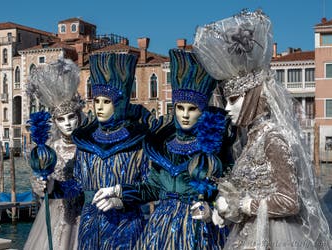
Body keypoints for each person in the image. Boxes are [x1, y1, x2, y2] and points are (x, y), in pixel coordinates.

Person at [193, 9, 332, 249]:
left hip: (273, 237)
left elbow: (290, 201)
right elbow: (249, 191)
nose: (227, 108)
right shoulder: (250, 140)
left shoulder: (273, 138)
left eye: (234, 100)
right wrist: (222, 210)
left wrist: (246, 205)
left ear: (253, 98)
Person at [93, 49, 231, 249]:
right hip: (160, 230)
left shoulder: (217, 146)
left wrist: (213, 210)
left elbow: (230, 192)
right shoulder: (163, 146)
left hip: (198, 233)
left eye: (192, 109)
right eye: (179, 107)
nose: (184, 115)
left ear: (202, 111)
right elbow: (152, 189)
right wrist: (119, 194)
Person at [72, 52, 155, 249]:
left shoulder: (137, 142)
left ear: (118, 104)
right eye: (97, 101)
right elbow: (76, 185)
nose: (99, 107)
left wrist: (121, 200)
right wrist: (53, 187)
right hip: (90, 227)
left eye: (106, 102)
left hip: (125, 226)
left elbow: (151, 188)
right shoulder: (85, 143)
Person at [24, 58, 85, 250]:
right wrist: (43, 184)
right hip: (56, 215)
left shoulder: (87, 147)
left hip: (84, 215)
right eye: (61, 119)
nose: (67, 123)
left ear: (78, 117)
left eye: (71, 117)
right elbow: (39, 181)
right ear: (55, 122)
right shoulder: (51, 148)